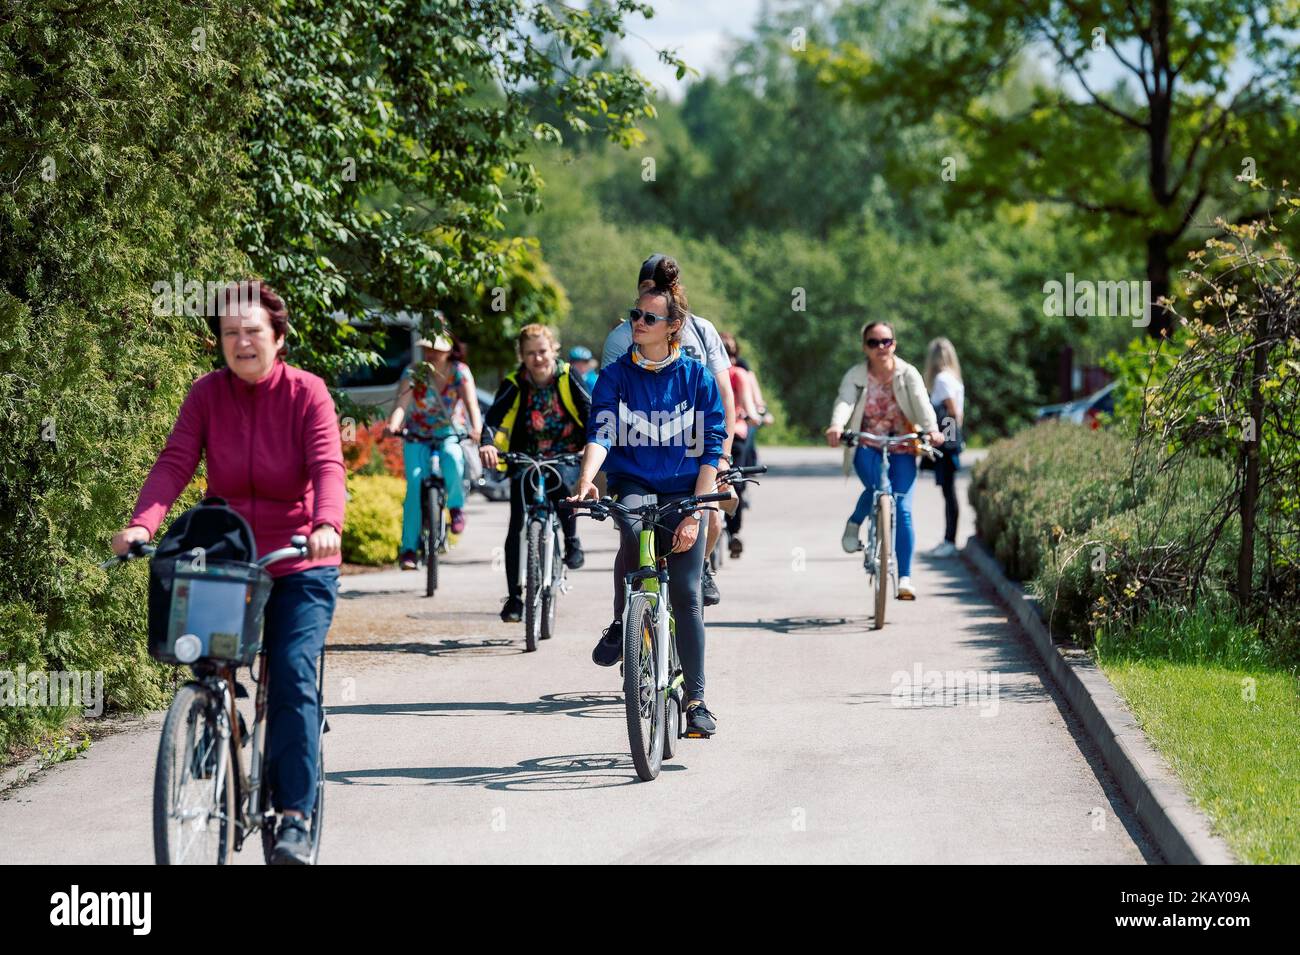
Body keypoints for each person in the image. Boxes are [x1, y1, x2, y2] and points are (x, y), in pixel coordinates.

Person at [111, 280, 345, 865]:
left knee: (291, 674)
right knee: (197, 646)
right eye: (230, 333)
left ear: (279, 338)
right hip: (231, 556)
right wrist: (142, 525)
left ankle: (293, 815)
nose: (241, 342)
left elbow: (327, 466)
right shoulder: (207, 394)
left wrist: (327, 524)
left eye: (253, 332)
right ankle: (214, 718)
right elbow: (175, 462)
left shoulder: (307, 394)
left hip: (298, 558)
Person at [573, 260, 727, 736]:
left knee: (687, 594)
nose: (636, 324)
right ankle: (630, 622)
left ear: (673, 326)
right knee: (635, 530)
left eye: (648, 319)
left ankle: (697, 700)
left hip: (685, 487)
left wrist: (698, 513)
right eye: (635, 316)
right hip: (634, 481)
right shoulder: (617, 376)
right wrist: (586, 479)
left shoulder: (696, 378)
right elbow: (601, 429)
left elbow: (712, 447)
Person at [602, 254, 736, 606]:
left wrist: (723, 454)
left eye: (659, 290)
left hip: (696, 450)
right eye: (644, 291)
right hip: (642, 450)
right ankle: (629, 614)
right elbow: (607, 405)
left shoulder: (703, 330)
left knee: (715, 520)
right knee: (633, 535)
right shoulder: (621, 337)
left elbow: (723, 393)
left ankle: (700, 568)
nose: (647, 305)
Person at [825, 321, 943, 600]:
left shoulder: (907, 373)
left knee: (902, 508)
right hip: (866, 444)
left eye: (886, 341)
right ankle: (855, 522)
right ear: (864, 347)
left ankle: (904, 578)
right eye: (873, 342)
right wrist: (836, 425)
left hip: (903, 445)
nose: (880, 347)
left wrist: (933, 428)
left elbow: (922, 402)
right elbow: (844, 401)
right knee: (879, 488)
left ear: (894, 344)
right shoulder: (856, 374)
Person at [481, 325, 591, 622]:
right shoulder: (515, 382)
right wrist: (487, 444)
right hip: (525, 457)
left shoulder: (568, 377)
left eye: (542, 351)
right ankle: (515, 599)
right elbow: (492, 419)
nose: (537, 359)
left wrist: (590, 450)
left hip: (566, 453)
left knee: (560, 490)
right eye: (530, 354)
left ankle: (572, 541)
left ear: (553, 349)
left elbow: (590, 414)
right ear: (522, 356)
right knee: (517, 521)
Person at [386, 333, 482, 570]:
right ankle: (408, 549)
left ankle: (456, 508)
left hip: (450, 432)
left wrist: (477, 429)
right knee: (415, 484)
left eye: (436, 350)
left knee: (452, 458)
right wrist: (393, 424)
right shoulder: (414, 372)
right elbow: (402, 404)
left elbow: (472, 404)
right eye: (428, 349)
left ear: (448, 350)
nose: (431, 354)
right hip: (417, 435)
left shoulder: (459, 372)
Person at [718, 332, 761, 558]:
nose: (730, 358)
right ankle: (728, 533)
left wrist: (753, 415)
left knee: (733, 482)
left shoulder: (735, 375)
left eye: (732, 353)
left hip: (726, 434)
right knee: (729, 483)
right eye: (724, 353)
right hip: (722, 434)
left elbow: (747, 401)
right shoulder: (718, 374)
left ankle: (733, 533)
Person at [924, 337, 965, 558]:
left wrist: (946, 441)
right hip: (952, 440)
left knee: (949, 492)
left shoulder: (941, 379)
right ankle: (948, 539)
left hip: (946, 442)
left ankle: (950, 540)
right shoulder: (954, 378)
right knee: (949, 491)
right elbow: (959, 414)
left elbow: (951, 411)